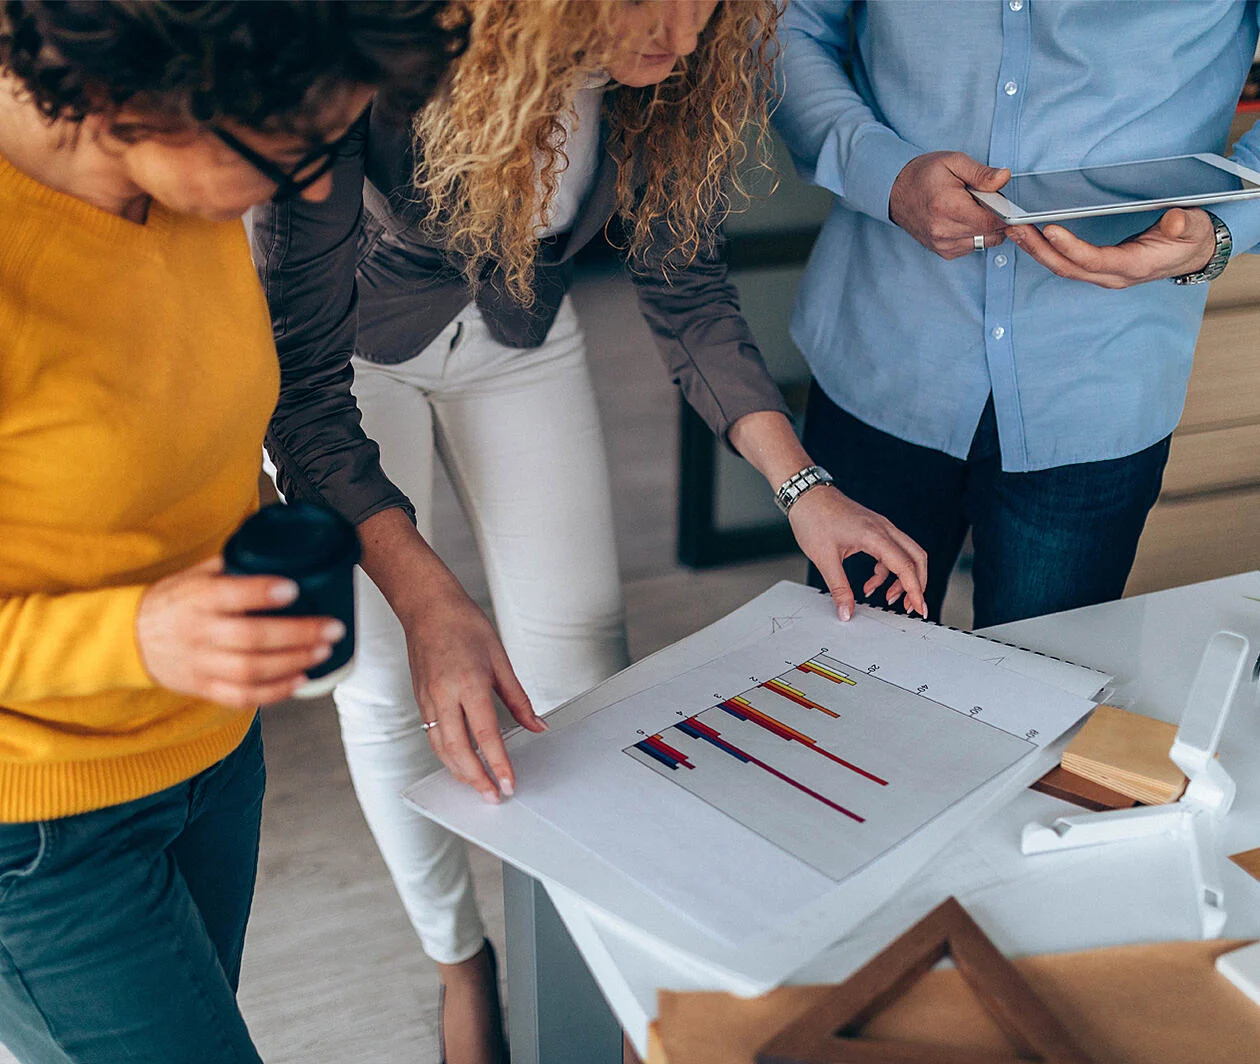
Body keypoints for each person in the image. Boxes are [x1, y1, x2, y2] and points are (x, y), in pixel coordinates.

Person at [253, 2, 928, 1060]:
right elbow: (298, 387)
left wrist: (805, 486)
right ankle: (458, 957)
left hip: (519, 330)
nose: (683, 32)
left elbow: (686, 290)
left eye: (705, 4)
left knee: (583, 662)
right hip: (349, 355)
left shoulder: (664, 77)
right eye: (650, 1)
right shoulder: (388, 50)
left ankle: (599, 946)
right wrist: (431, 596)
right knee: (389, 685)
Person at [0, 3, 465, 1061]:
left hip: (209, 752)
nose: (310, 186)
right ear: (151, 93)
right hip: (34, 824)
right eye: (291, 150)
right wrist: (134, 635)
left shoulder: (178, 182)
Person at [773, 0, 1260, 628]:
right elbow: (785, 27)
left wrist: (1226, 228)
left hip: (1100, 369)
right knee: (851, 682)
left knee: (1044, 703)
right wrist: (882, 174)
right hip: (884, 341)